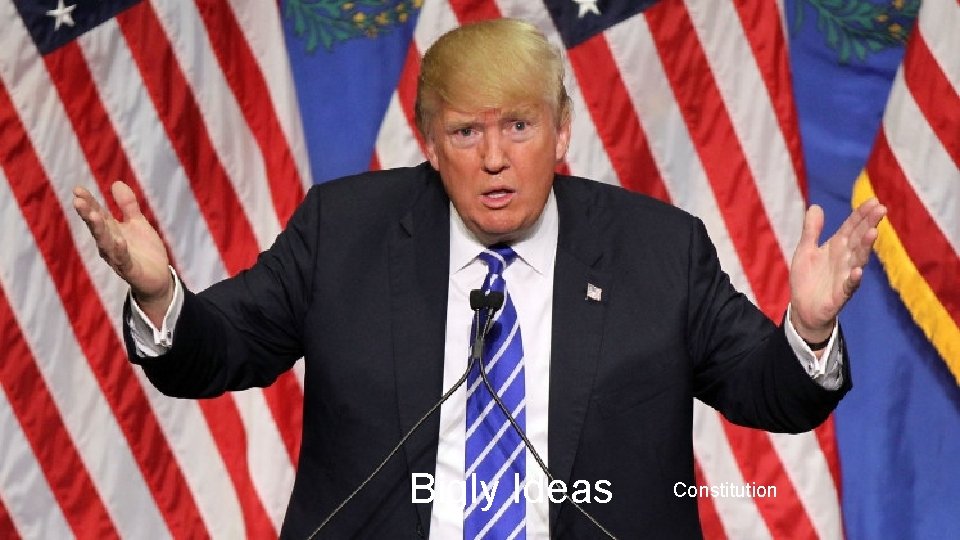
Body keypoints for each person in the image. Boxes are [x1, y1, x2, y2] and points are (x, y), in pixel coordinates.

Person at [73, 18, 885, 540]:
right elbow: (220, 350)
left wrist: (809, 330)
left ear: (562, 133)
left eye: (519, 126)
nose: (495, 158)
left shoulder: (658, 250)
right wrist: (160, 294)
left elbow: (769, 392)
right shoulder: (344, 232)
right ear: (429, 144)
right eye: (466, 133)